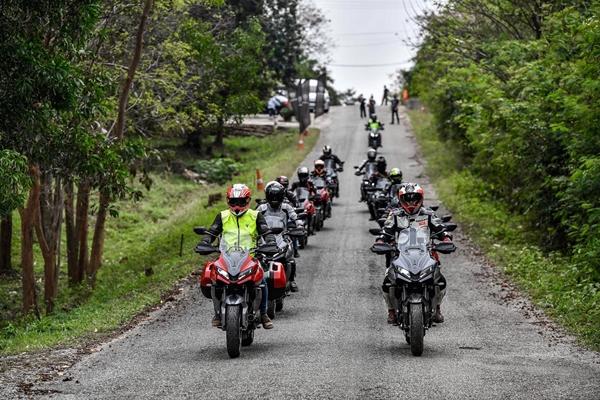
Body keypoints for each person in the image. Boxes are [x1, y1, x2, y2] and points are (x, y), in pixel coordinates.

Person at [199, 184, 275, 329]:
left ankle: (264, 313)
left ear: (248, 200)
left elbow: (266, 232)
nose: (237, 205)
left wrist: (270, 242)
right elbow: (212, 233)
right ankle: (216, 312)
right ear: (228, 201)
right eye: (233, 201)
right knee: (214, 280)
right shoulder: (222, 216)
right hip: (226, 257)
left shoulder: (255, 216)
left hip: (250, 258)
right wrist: (204, 242)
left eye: (241, 201)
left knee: (263, 280)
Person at [376, 183, 451, 324]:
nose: (411, 203)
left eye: (414, 199)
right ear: (401, 200)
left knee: (440, 281)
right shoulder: (395, 215)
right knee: (387, 282)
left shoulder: (428, 214)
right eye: (407, 199)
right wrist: (380, 240)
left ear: (420, 199)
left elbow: (440, 228)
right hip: (401, 255)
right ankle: (391, 311)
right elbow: (386, 230)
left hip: (425, 254)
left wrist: (446, 238)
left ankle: (437, 308)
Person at [257, 182, 302, 289]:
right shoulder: (261, 208)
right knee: (256, 258)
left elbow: (294, 217)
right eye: (272, 196)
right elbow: (252, 220)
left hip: (283, 237)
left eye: (277, 196)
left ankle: (291, 280)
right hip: (265, 238)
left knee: (290, 258)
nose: (274, 199)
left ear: (282, 197)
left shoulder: (286, 207)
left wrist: (299, 225)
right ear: (267, 196)